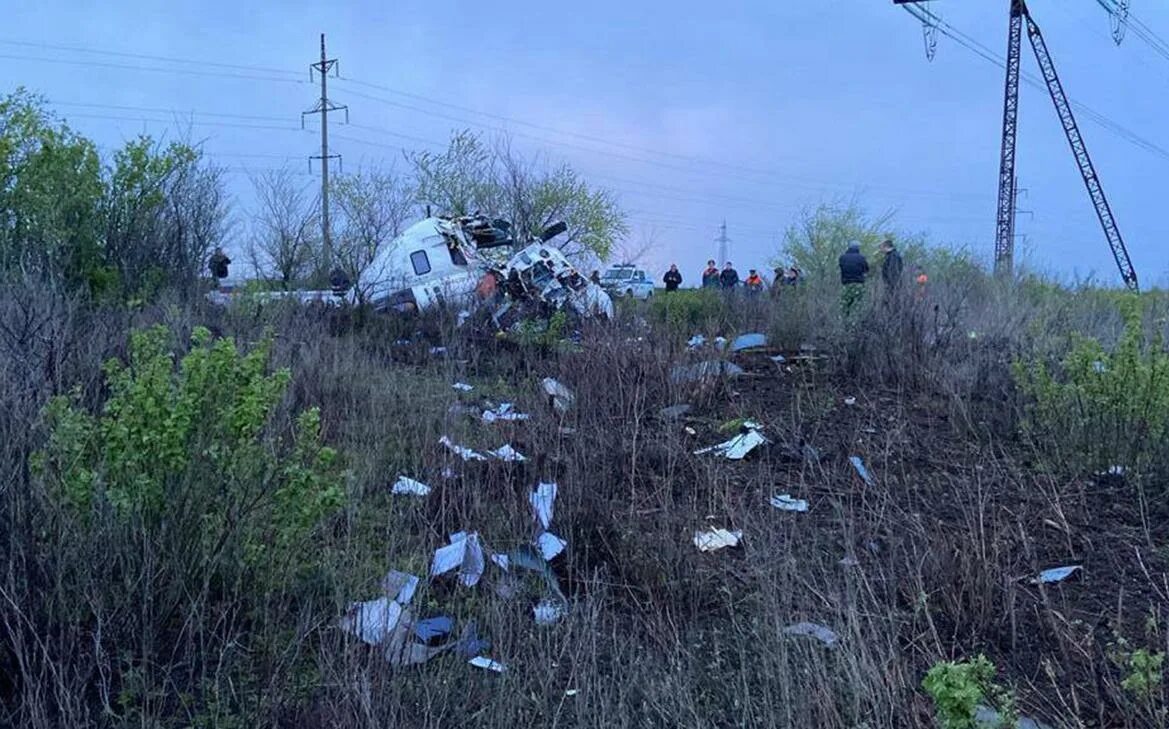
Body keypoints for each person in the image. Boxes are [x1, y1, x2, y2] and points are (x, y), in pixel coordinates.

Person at [838, 242, 869, 314]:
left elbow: (841, 267)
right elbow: (866, 270)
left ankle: (844, 322)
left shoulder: (842, 258)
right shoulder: (861, 258)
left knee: (845, 306)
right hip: (858, 284)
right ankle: (856, 323)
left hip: (846, 284)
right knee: (858, 306)